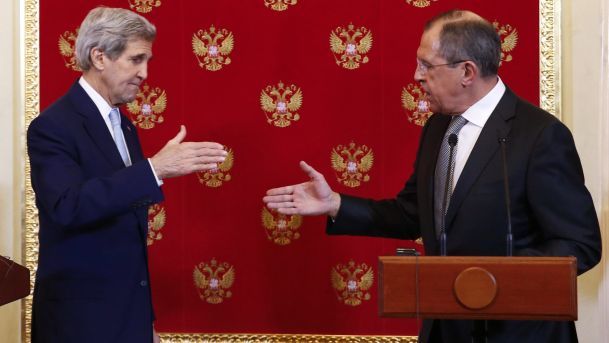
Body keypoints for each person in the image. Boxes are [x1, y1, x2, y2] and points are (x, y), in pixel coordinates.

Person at [264, 9, 602, 343]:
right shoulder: (439, 127)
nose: (416, 75)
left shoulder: (540, 136)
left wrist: (495, 277)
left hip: (519, 334)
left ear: (467, 71)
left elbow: (580, 245)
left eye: (427, 65)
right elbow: (412, 214)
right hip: (445, 330)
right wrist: (336, 204)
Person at [27, 7, 227, 342]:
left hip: (125, 320)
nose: (145, 73)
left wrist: (143, 321)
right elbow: (67, 206)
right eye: (136, 59)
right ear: (100, 57)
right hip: (78, 324)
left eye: (147, 61)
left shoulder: (124, 125)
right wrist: (155, 168)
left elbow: (124, 234)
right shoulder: (52, 126)